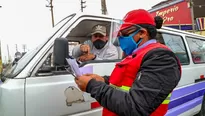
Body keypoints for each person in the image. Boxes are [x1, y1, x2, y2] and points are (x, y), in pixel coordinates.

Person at [75, 9, 181, 116]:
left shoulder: (161, 58)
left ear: (142, 33)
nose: (120, 38)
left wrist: (91, 86)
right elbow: (127, 80)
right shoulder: (134, 55)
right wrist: (104, 80)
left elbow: (136, 107)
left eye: (124, 34)